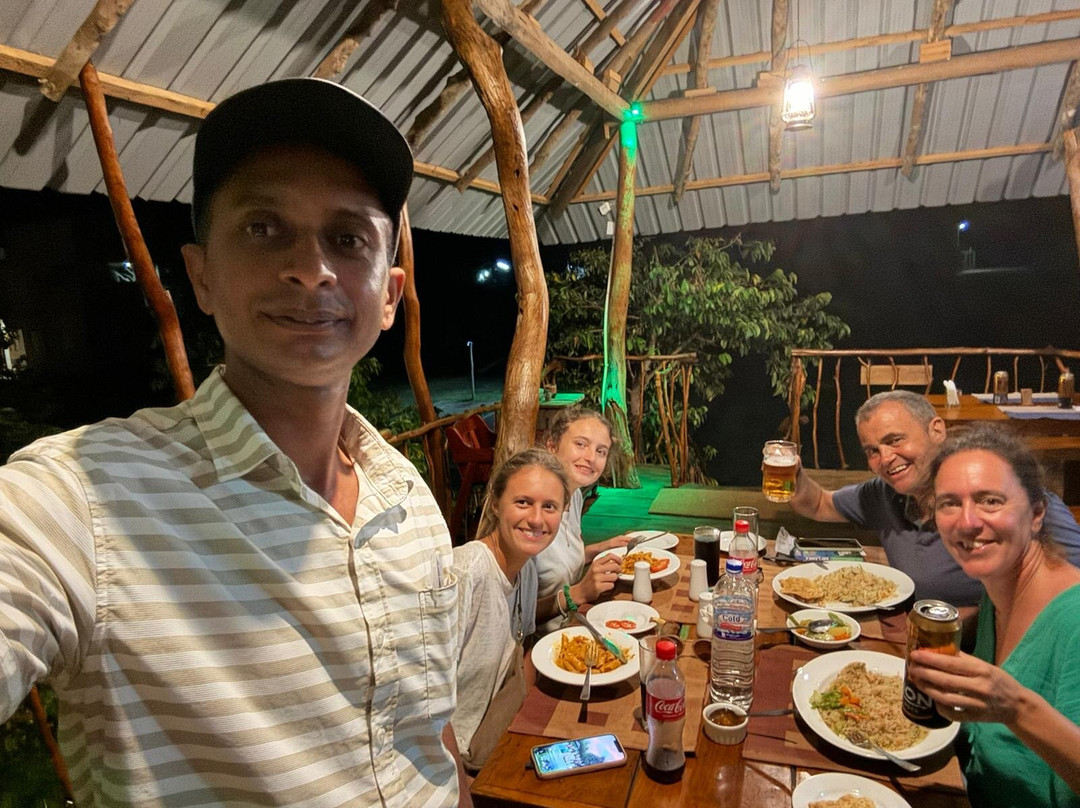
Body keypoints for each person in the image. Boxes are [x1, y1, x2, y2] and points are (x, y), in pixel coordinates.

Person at [0, 78, 469, 807]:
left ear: (388, 295)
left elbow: (431, 738)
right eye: (263, 228)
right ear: (202, 276)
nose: (310, 269)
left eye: (347, 239)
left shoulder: (407, 498)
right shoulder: (86, 498)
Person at [907, 424, 1080, 807]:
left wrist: (1017, 707)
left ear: (1036, 514)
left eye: (990, 501)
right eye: (949, 503)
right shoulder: (997, 594)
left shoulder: (1075, 621)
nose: (967, 522)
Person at [787, 389, 1080, 609]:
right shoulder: (884, 494)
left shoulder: (1007, 499)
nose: (886, 458)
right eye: (872, 451)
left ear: (937, 430)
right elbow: (818, 504)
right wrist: (792, 474)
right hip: (915, 647)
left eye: (895, 440)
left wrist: (964, 622)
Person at [451, 449, 570, 770]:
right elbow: (419, 695)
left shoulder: (527, 568)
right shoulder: (468, 571)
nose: (536, 519)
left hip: (496, 731)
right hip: (454, 760)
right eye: (522, 502)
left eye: (549, 507)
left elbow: (520, 654)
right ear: (494, 503)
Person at [533, 407, 630, 633]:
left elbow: (555, 564)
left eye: (601, 451)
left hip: (575, 624)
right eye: (581, 444)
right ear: (552, 446)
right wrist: (578, 593)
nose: (591, 458)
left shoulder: (574, 495)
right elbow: (512, 614)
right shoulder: (534, 513)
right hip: (540, 649)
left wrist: (598, 549)